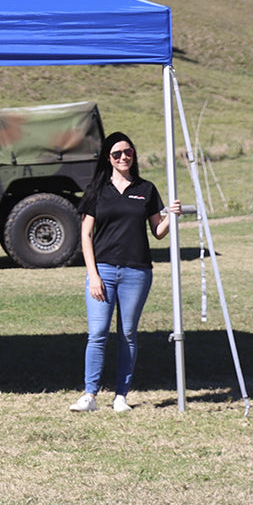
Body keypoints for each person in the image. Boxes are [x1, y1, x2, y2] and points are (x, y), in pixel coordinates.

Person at [69, 131, 181, 414]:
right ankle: (89, 395)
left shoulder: (147, 188)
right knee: (97, 334)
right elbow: (86, 235)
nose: (123, 157)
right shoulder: (97, 190)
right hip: (103, 271)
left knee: (128, 334)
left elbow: (157, 232)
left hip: (137, 272)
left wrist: (172, 216)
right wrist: (93, 275)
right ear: (109, 158)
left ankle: (121, 396)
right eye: (117, 154)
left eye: (128, 152)